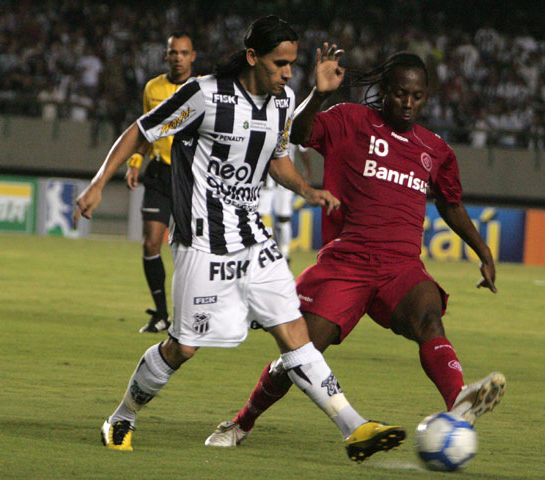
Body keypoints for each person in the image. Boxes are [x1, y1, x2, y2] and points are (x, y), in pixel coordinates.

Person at [74, 16, 404, 461]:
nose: (288, 73)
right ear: (253, 57)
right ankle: (122, 416)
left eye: (292, 64)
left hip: (253, 238)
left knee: (294, 334)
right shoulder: (206, 94)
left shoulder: (283, 101)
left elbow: (278, 158)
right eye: (279, 63)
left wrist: (307, 189)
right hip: (202, 239)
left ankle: (355, 427)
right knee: (183, 347)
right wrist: (98, 183)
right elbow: (141, 129)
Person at [204, 48, 506, 452]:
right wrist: (320, 92)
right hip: (346, 262)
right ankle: (242, 422)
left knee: (429, 318)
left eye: (417, 97)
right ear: (383, 91)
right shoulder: (349, 119)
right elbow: (298, 134)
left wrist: (482, 251)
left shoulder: (434, 149)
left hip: (401, 267)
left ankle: (459, 403)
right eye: (400, 93)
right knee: (299, 355)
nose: (408, 103)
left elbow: (449, 203)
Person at [124, 33, 197, 333]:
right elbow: (145, 131)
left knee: (192, 250)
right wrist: (135, 161)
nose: (178, 57)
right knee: (151, 242)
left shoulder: (202, 90)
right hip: (159, 173)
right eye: (173, 52)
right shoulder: (153, 88)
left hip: (191, 176)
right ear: (165, 56)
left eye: (183, 52)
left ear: (193, 56)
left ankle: (192, 316)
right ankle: (161, 315)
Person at [258, 143, 310, 263]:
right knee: (260, 217)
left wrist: (307, 170)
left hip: (284, 181)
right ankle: (261, 251)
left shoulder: (291, 126)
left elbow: (303, 149)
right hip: (267, 180)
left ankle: (284, 253)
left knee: (283, 218)